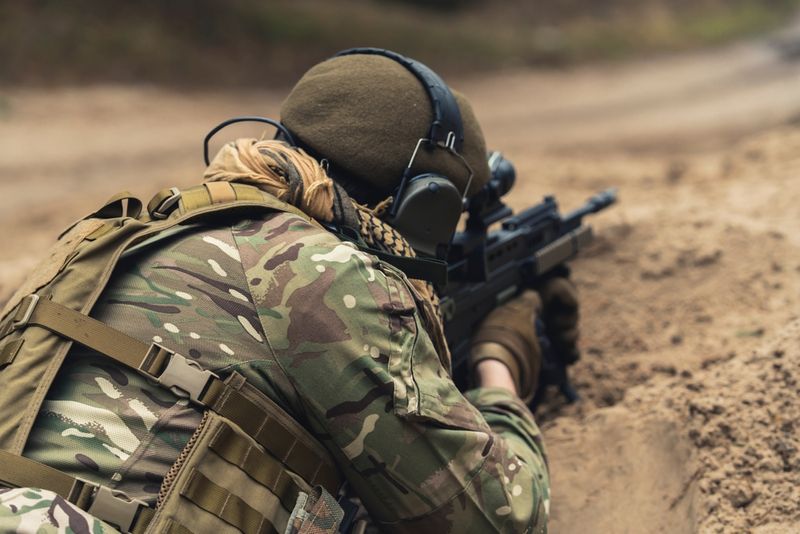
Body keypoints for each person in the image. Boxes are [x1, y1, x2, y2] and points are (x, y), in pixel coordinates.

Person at [0, 49, 578, 533]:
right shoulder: (322, 272)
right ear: (424, 208)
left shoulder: (117, 234)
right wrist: (501, 363)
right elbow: (501, 518)